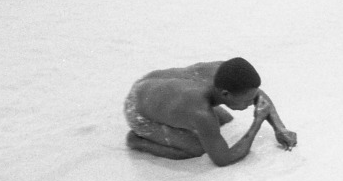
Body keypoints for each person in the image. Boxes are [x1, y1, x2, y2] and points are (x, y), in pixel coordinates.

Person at [124, 57, 297, 166]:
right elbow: (223, 159)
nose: (252, 103)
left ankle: (171, 117)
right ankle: (138, 141)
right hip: (137, 111)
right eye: (247, 101)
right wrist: (257, 122)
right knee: (196, 148)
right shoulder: (201, 112)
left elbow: (256, 92)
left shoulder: (225, 72)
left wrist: (280, 128)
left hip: (151, 84)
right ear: (225, 94)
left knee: (225, 120)